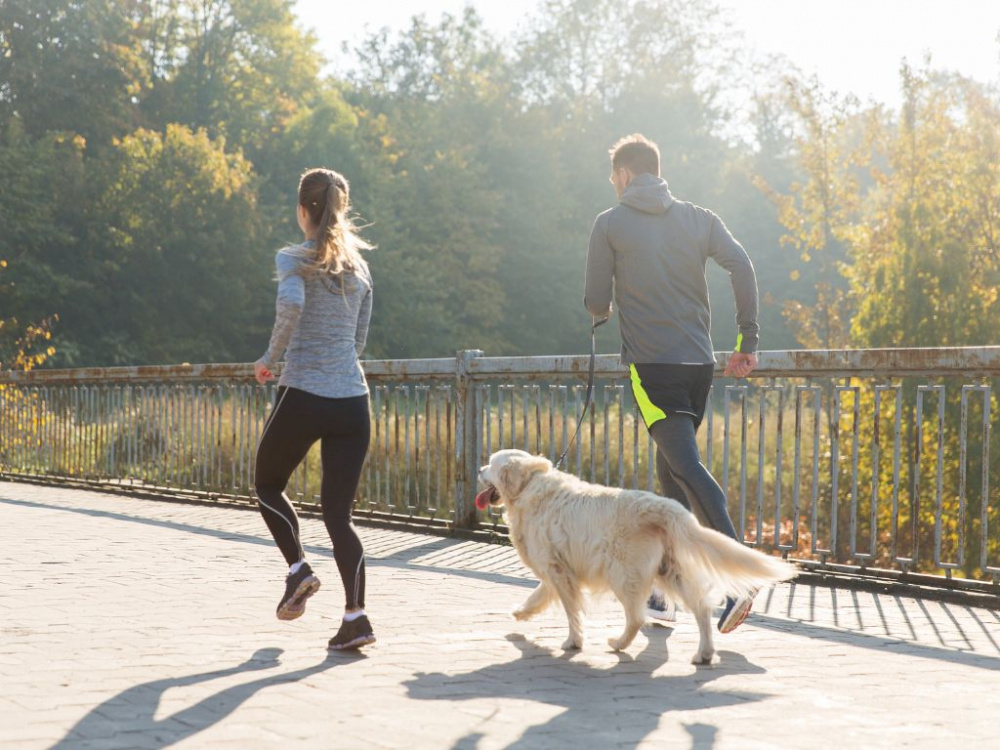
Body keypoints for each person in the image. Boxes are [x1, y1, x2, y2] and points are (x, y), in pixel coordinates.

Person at [584, 134, 761, 634]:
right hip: (699, 366)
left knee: (684, 467)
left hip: (652, 368)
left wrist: (606, 306)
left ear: (622, 175)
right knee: (669, 477)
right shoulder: (699, 218)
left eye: (612, 177)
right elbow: (741, 265)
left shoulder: (609, 223)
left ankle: (738, 582)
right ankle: (665, 591)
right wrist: (747, 339)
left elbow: (596, 300)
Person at [253, 167, 376, 651]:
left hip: (303, 393)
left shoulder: (293, 257)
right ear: (340, 209)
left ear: (304, 209)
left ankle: (299, 569)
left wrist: (269, 358)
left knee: (266, 484)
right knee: (339, 517)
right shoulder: (361, 269)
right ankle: (357, 618)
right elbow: (360, 339)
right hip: (353, 400)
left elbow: (289, 306)